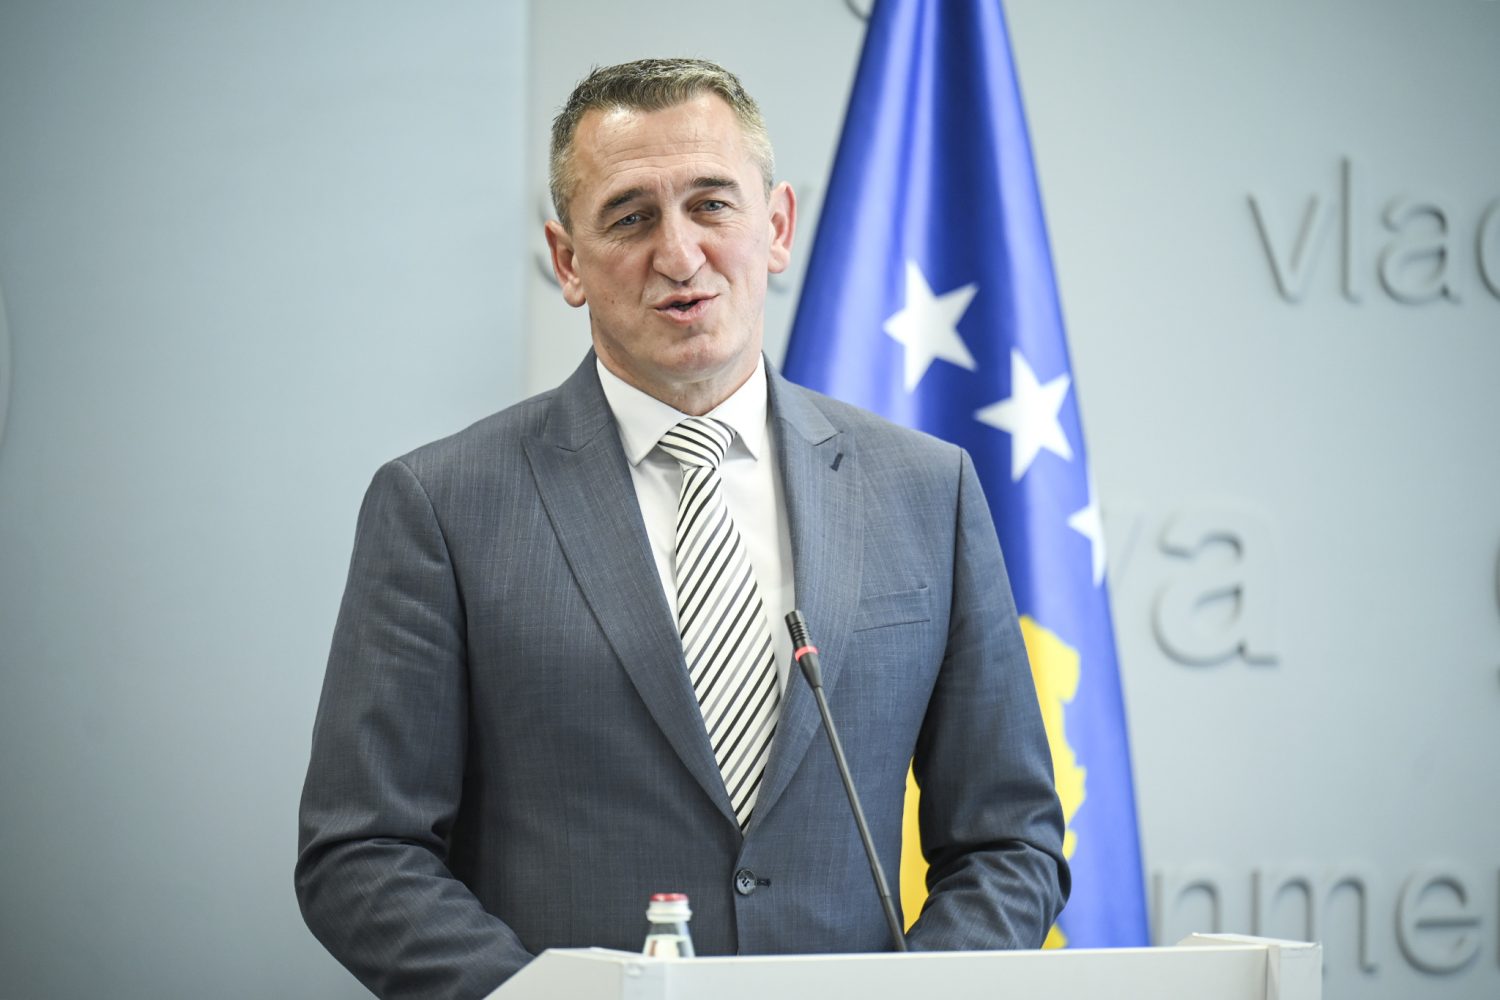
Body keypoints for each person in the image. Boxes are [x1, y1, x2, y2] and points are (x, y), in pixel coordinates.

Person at [296, 57, 1068, 1000]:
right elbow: (363, 853)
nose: (679, 254)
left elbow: (1009, 841)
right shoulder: (440, 505)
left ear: (775, 227)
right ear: (567, 260)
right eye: (630, 217)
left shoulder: (926, 489)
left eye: (711, 205)